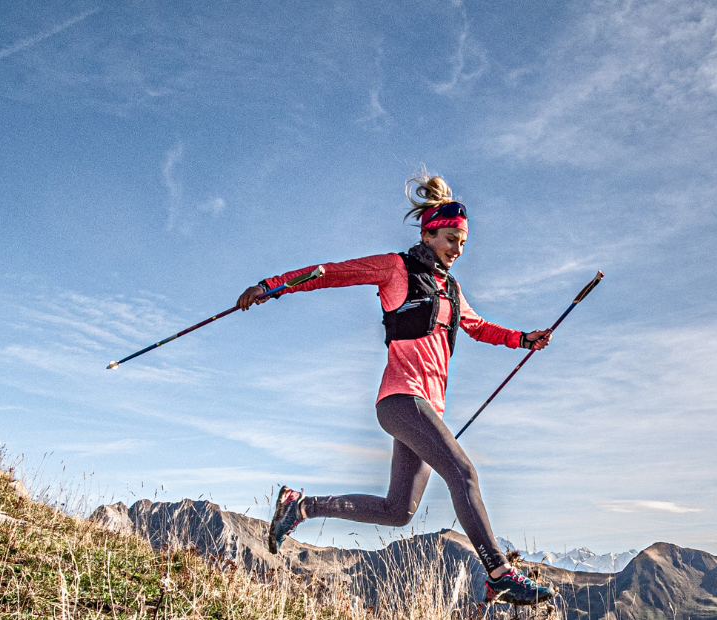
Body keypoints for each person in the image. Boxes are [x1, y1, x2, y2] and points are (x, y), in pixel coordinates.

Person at [237, 172, 556, 606]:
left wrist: (523, 339)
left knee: (399, 511)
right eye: (451, 239)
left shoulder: (451, 288)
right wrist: (272, 286)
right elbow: (332, 273)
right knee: (463, 473)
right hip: (401, 399)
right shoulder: (395, 268)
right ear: (429, 232)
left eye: (463, 243)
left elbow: (477, 327)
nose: (458, 250)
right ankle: (498, 571)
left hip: (428, 408)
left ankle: (300, 507)